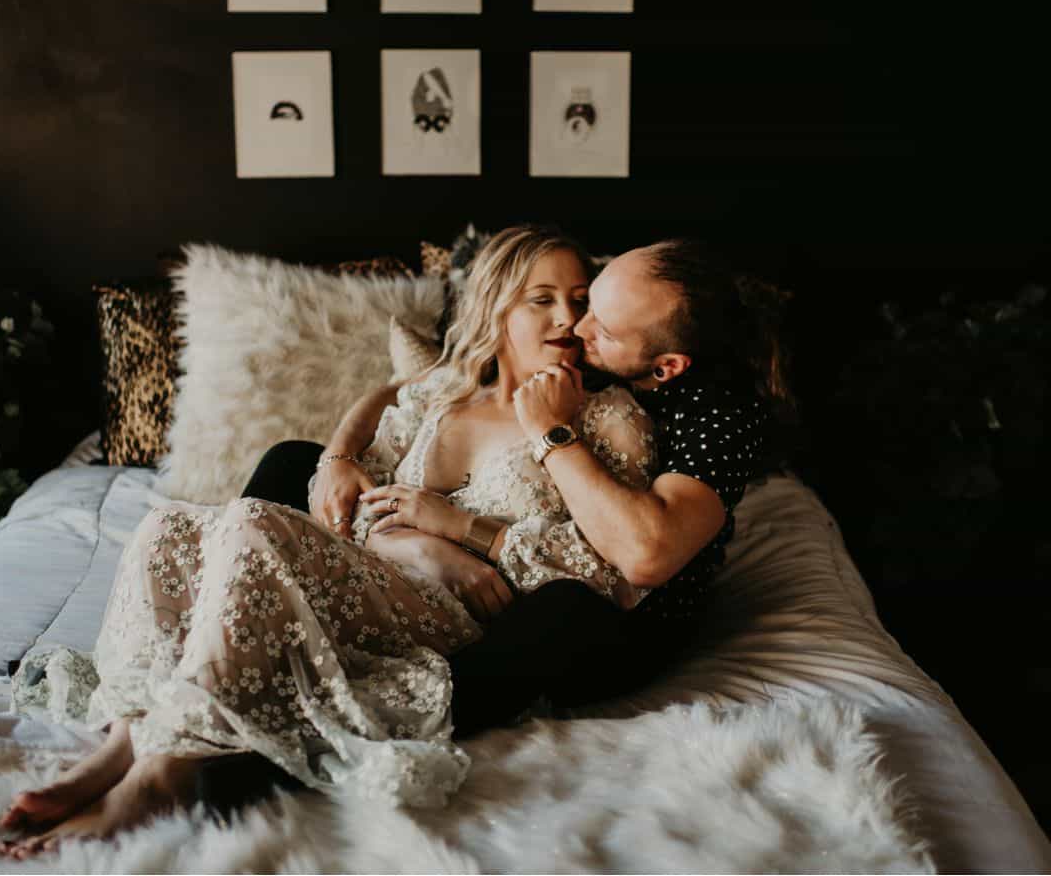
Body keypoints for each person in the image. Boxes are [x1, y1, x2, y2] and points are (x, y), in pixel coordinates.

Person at [0, 226, 661, 858]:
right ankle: (126, 740)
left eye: (579, 301)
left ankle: (162, 775)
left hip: (459, 615)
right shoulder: (443, 396)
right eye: (542, 300)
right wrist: (410, 540)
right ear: (496, 308)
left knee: (255, 522)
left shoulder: (604, 419)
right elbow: (363, 496)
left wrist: (463, 534)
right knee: (172, 526)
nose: (569, 320)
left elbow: (601, 574)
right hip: (382, 575)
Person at [195, 234, 790, 815]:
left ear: (663, 367)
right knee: (290, 460)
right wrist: (340, 458)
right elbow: (406, 387)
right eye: (577, 302)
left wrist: (539, 443)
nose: (576, 327)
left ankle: (334, 736)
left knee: (563, 610)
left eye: (594, 320)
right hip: (485, 553)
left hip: (624, 612)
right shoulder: (577, 348)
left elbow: (643, 557)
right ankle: (202, 643)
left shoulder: (714, 414)